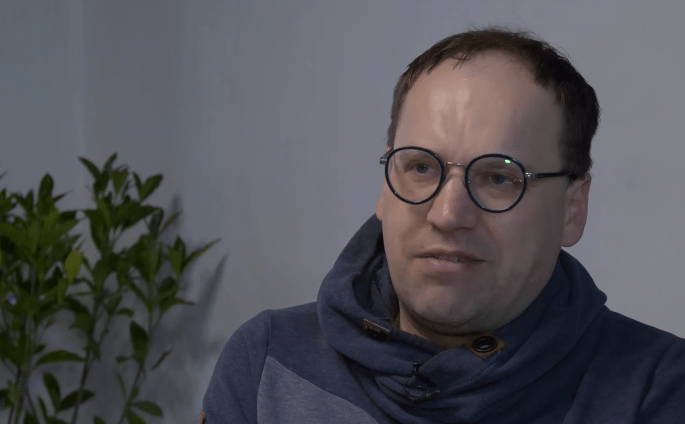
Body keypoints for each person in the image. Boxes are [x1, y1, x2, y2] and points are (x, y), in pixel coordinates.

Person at [198, 26, 685, 423]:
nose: (448, 214)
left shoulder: (657, 389)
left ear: (572, 209)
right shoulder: (267, 364)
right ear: (385, 187)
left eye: (499, 177)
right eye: (420, 167)